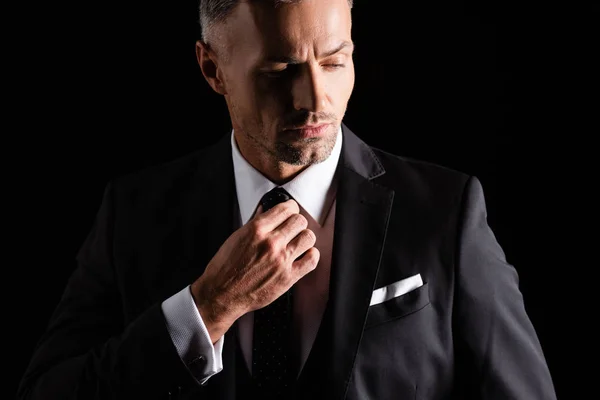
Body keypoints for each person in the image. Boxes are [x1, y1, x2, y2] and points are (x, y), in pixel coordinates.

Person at [18, 0, 557, 399]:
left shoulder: (446, 211)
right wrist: (206, 309)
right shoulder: (134, 214)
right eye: (280, 70)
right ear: (212, 69)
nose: (315, 99)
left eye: (334, 60)